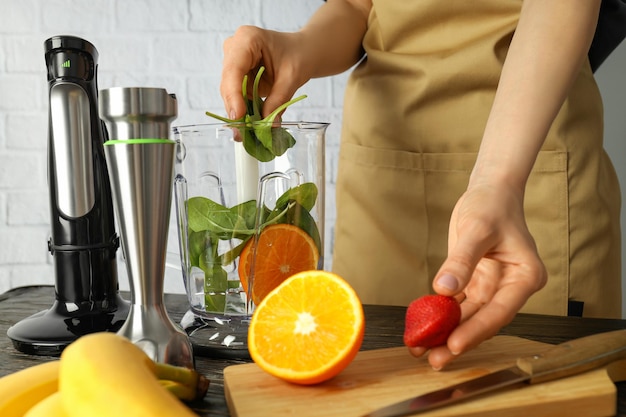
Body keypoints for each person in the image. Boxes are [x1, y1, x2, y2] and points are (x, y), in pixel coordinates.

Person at [219, 0, 622, 370]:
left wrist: (498, 179)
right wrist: (299, 47)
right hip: (382, 180)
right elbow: (355, 5)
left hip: (529, 164)